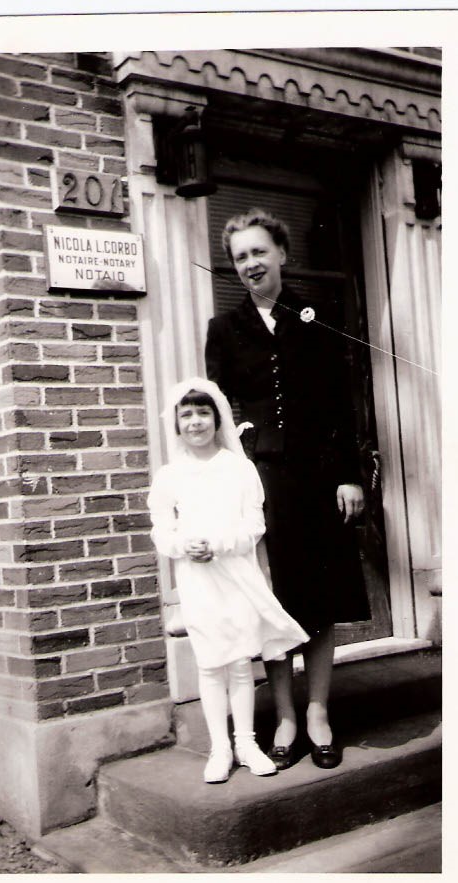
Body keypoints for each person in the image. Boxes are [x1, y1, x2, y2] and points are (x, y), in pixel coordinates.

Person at [205, 208, 370, 770]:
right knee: (270, 604)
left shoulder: (317, 314)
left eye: (259, 252)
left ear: (281, 255)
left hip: (319, 479)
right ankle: (286, 717)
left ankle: (319, 710)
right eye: (240, 257)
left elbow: (341, 402)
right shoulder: (223, 331)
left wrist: (349, 473)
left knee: (319, 600)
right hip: (261, 484)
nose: (251, 264)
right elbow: (217, 410)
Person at [148, 377, 309, 784]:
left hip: (236, 571)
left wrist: (219, 543)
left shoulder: (238, 468)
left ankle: (246, 741)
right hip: (197, 575)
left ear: (217, 418)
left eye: (203, 413)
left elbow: (254, 524)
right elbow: (161, 530)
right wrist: (186, 545)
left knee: (239, 661)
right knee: (210, 661)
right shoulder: (170, 475)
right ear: (177, 425)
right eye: (187, 415)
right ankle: (219, 747)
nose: (196, 422)